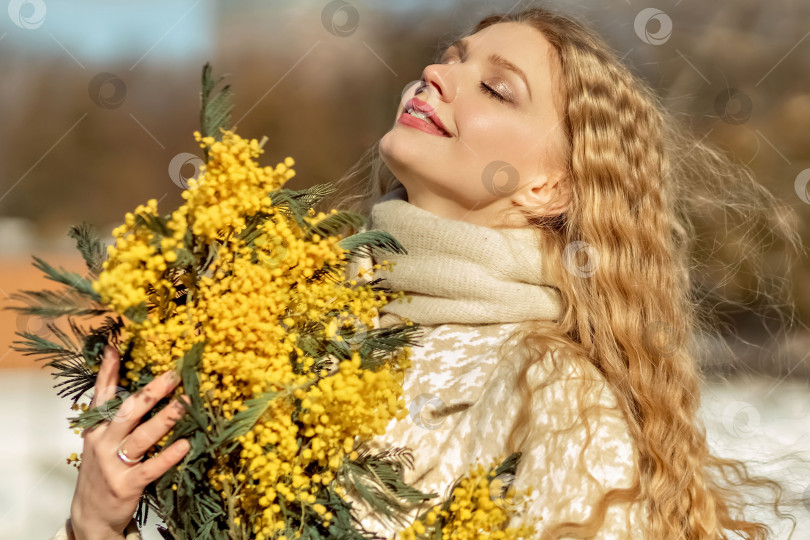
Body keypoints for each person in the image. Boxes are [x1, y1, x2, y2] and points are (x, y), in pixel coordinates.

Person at [55, 5, 806, 540]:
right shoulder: (298, 339)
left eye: (496, 87)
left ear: (550, 186)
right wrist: (96, 524)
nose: (437, 73)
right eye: (451, 57)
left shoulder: (551, 392)